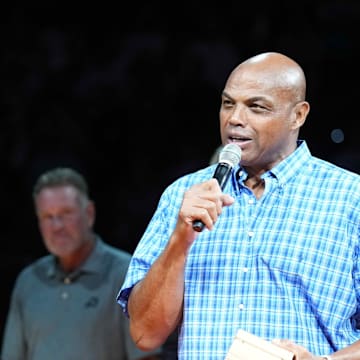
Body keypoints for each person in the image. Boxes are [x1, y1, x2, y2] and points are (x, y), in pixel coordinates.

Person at [117, 52, 360, 360]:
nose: (234, 118)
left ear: (298, 115)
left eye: (256, 107)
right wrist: (180, 240)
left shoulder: (351, 199)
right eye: (228, 103)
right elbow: (145, 334)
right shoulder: (183, 196)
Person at [1, 167, 162, 360]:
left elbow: (146, 357)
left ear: (89, 213)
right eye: (48, 217)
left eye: (66, 213)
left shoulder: (126, 273)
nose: (57, 226)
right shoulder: (29, 281)